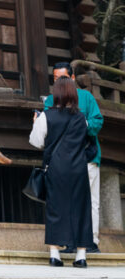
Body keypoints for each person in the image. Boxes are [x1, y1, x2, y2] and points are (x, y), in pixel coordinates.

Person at [30, 75, 95, 267]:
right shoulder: (81, 118)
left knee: (55, 208)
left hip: (56, 168)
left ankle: (54, 254)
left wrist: (36, 122)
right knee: (81, 209)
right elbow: (84, 141)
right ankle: (81, 256)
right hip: (78, 168)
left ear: (55, 94)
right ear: (74, 94)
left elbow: (36, 142)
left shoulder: (46, 117)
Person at [44, 63, 103, 252]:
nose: (60, 82)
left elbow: (97, 121)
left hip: (86, 155)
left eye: (63, 78)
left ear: (73, 77)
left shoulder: (86, 97)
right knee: (61, 201)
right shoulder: (50, 100)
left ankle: (91, 240)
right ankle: (66, 241)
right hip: (61, 161)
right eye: (56, 78)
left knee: (90, 201)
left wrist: (80, 126)